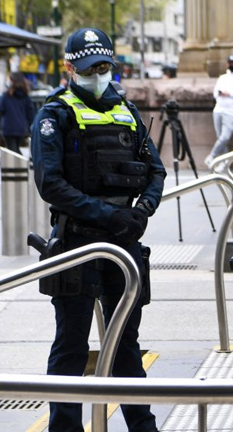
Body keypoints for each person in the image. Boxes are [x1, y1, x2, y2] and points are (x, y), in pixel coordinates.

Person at [30, 28, 165, 432]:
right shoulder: (55, 115)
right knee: (71, 346)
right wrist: (108, 216)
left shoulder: (127, 111)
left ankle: (142, 425)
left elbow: (156, 171)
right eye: (90, 68)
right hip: (78, 243)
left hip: (124, 242)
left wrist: (143, 210)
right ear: (70, 67)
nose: (98, 74)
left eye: (104, 66)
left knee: (126, 345)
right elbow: (50, 184)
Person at [204, 55, 233, 168]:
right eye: (230, 63)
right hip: (218, 110)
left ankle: (212, 156)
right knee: (221, 138)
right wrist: (222, 94)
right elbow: (216, 93)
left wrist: (229, 94)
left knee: (224, 137)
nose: (232, 65)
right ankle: (224, 164)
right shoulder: (223, 77)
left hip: (232, 112)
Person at [0, 72, 35, 154]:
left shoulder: (6, 96)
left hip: (8, 129)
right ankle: (19, 164)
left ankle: (20, 165)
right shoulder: (26, 96)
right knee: (14, 149)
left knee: (13, 151)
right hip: (21, 129)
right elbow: (30, 114)